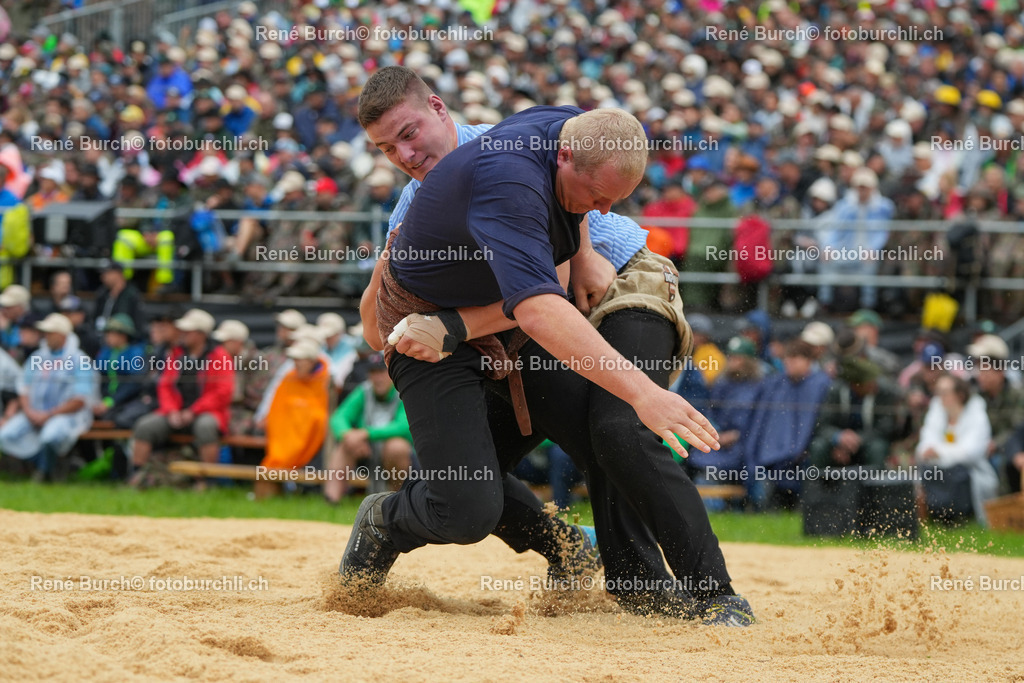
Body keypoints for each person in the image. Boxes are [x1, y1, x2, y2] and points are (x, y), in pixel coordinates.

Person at [354, 67, 750, 624]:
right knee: (471, 481)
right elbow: (536, 301)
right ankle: (581, 555)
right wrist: (460, 325)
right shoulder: (428, 202)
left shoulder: (520, 143)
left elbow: (577, 141)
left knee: (620, 426)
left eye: (409, 133)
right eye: (386, 147)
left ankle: (705, 593)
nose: (404, 153)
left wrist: (583, 241)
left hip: (622, 283)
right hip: (531, 323)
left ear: (440, 109)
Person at [129, 309, 233, 485]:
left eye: (188, 331)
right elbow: (165, 386)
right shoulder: (177, 354)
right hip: (176, 413)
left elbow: (222, 393)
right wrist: (171, 411)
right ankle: (138, 476)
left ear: (201, 334)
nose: (183, 334)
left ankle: (206, 481)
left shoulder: (219, 356)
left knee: (206, 427)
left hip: (206, 412)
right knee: (144, 426)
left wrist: (193, 411)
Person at [0, 313, 96, 481]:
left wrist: (49, 414)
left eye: (50, 333)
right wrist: (30, 411)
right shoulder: (38, 356)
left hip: (65, 415)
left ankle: (46, 471)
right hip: (34, 413)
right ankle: (40, 464)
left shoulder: (79, 360)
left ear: (61, 335)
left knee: (50, 436)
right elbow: (23, 388)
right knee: (5, 435)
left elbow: (80, 399)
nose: (46, 336)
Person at [326, 352, 413, 500]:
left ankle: (400, 499)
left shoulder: (403, 391)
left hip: (404, 457)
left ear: (391, 373)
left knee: (396, 446)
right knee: (346, 444)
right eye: (373, 373)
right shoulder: (363, 391)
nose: (377, 378)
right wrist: (348, 435)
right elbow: (338, 417)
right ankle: (330, 502)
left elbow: (404, 426)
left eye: (381, 372)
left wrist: (365, 434)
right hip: (367, 451)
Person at [915, 373, 999, 525]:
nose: (940, 396)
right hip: (936, 471)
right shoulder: (936, 410)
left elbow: (970, 453)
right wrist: (936, 452)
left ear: (960, 395)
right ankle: (931, 518)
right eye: (938, 391)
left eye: (945, 392)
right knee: (920, 473)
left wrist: (939, 452)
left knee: (958, 474)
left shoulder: (977, 414)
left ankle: (963, 517)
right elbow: (924, 446)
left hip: (971, 472)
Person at [809, 356, 903, 470]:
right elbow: (822, 424)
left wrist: (856, 439)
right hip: (837, 442)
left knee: (878, 448)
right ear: (855, 384)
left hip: (867, 441)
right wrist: (838, 437)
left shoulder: (883, 392)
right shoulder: (835, 392)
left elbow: (884, 428)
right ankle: (818, 485)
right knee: (818, 446)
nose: (874, 384)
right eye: (869, 381)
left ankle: (876, 486)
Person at [260, 337, 331, 471]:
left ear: (311, 361)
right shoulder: (289, 377)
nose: (295, 363)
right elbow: (277, 409)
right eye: (294, 359)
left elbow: (322, 414)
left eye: (299, 359)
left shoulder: (326, 380)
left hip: (313, 436)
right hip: (285, 432)